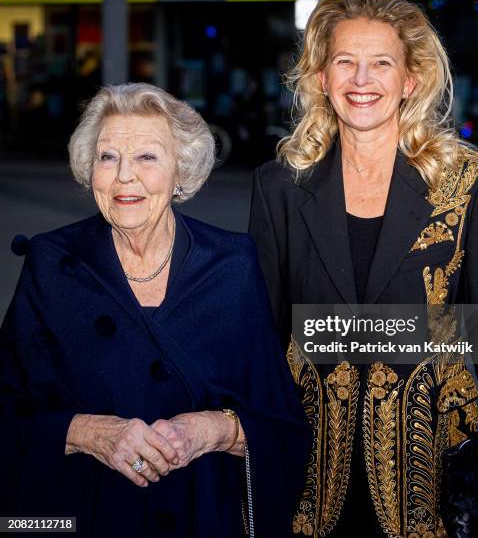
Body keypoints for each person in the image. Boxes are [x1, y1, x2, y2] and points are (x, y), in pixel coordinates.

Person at [249, 0, 478, 537]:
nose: (362, 80)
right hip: (307, 467)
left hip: (428, 467)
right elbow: (260, 331)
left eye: (381, 63)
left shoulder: (469, 183)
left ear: (409, 80)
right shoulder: (279, 187)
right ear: (320, 78)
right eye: (345, 63)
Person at [0, 83, 310, 537]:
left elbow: (281, 422)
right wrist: (89, 433)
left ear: (181, 172)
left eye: (147, 157)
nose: (125, 176)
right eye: (108, 157)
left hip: (202, 517)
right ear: (90, 171)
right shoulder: (50, 264)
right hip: (85, 516)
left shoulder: (233, 265)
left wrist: (214, 431)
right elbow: (7, 410)